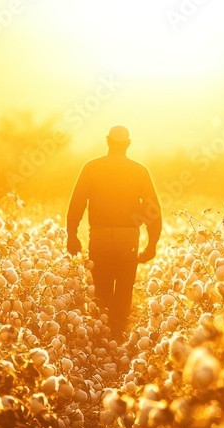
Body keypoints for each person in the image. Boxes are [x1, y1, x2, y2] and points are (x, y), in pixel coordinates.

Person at [67, 125, 162, 336]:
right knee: (124, 289)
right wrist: (152, 244)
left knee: (101, 288)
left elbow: (77, 203)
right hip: (127, 238)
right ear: (128, 144)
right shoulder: (139, 171)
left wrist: (71, 235)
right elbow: (153, 210)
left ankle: (102, 337)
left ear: (108, 141)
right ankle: (117, 337)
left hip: (99, 237)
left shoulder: (91, 167)